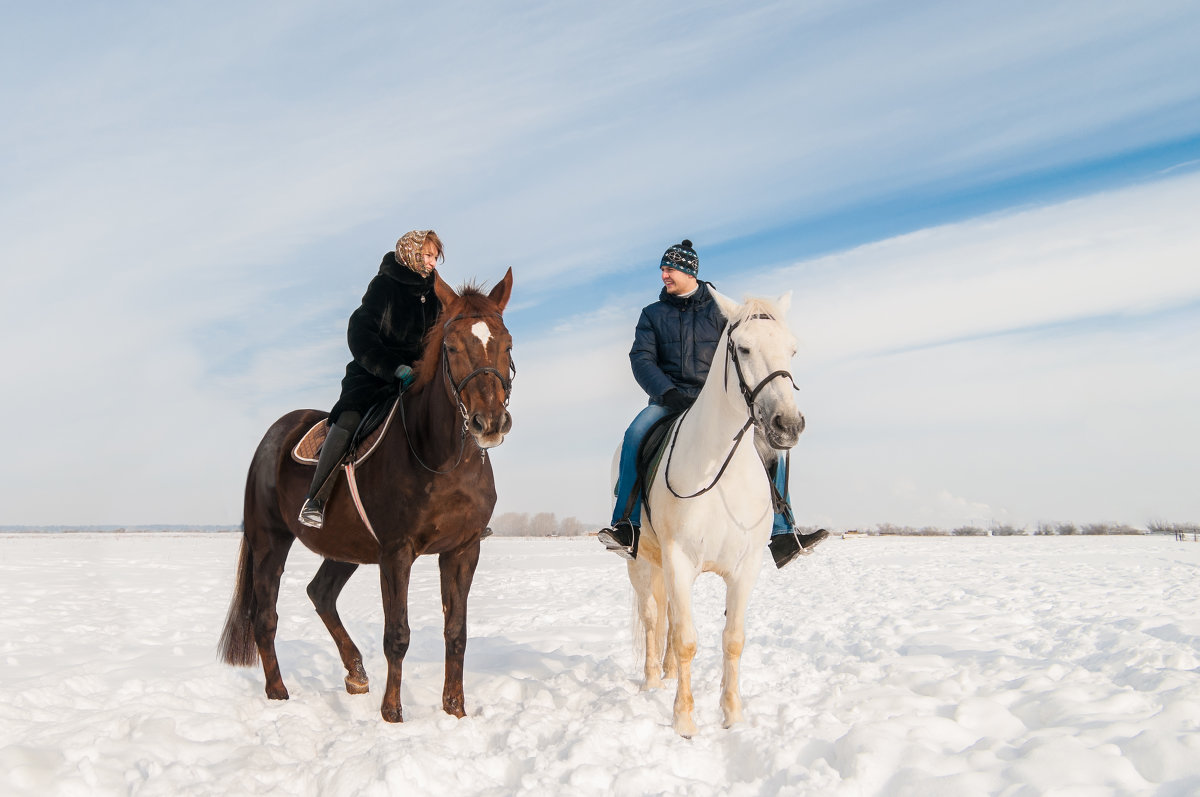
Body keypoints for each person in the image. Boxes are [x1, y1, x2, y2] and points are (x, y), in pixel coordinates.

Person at [597, 239, 828, 567]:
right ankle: (627, 525)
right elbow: (641, 358)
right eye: (663, 268)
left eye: (670, 268)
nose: (664, 274)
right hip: (669, 401)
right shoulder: (652, 314)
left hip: (718, 407)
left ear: (690, 272)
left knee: (771, 446)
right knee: (635, 434)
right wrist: (667, 392)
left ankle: (783, 532)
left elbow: (749, 352)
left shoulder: (723, 312)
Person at [298, 230, 444, 529]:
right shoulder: (385, 285)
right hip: (373, 377)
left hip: (418, 379)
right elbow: (359, 333)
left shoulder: (437, 294)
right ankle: (316, 500)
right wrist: (394, 368)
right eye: (427, 255)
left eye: (434, 256)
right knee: (349, 419)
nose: (432, 262)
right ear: (412, 253)